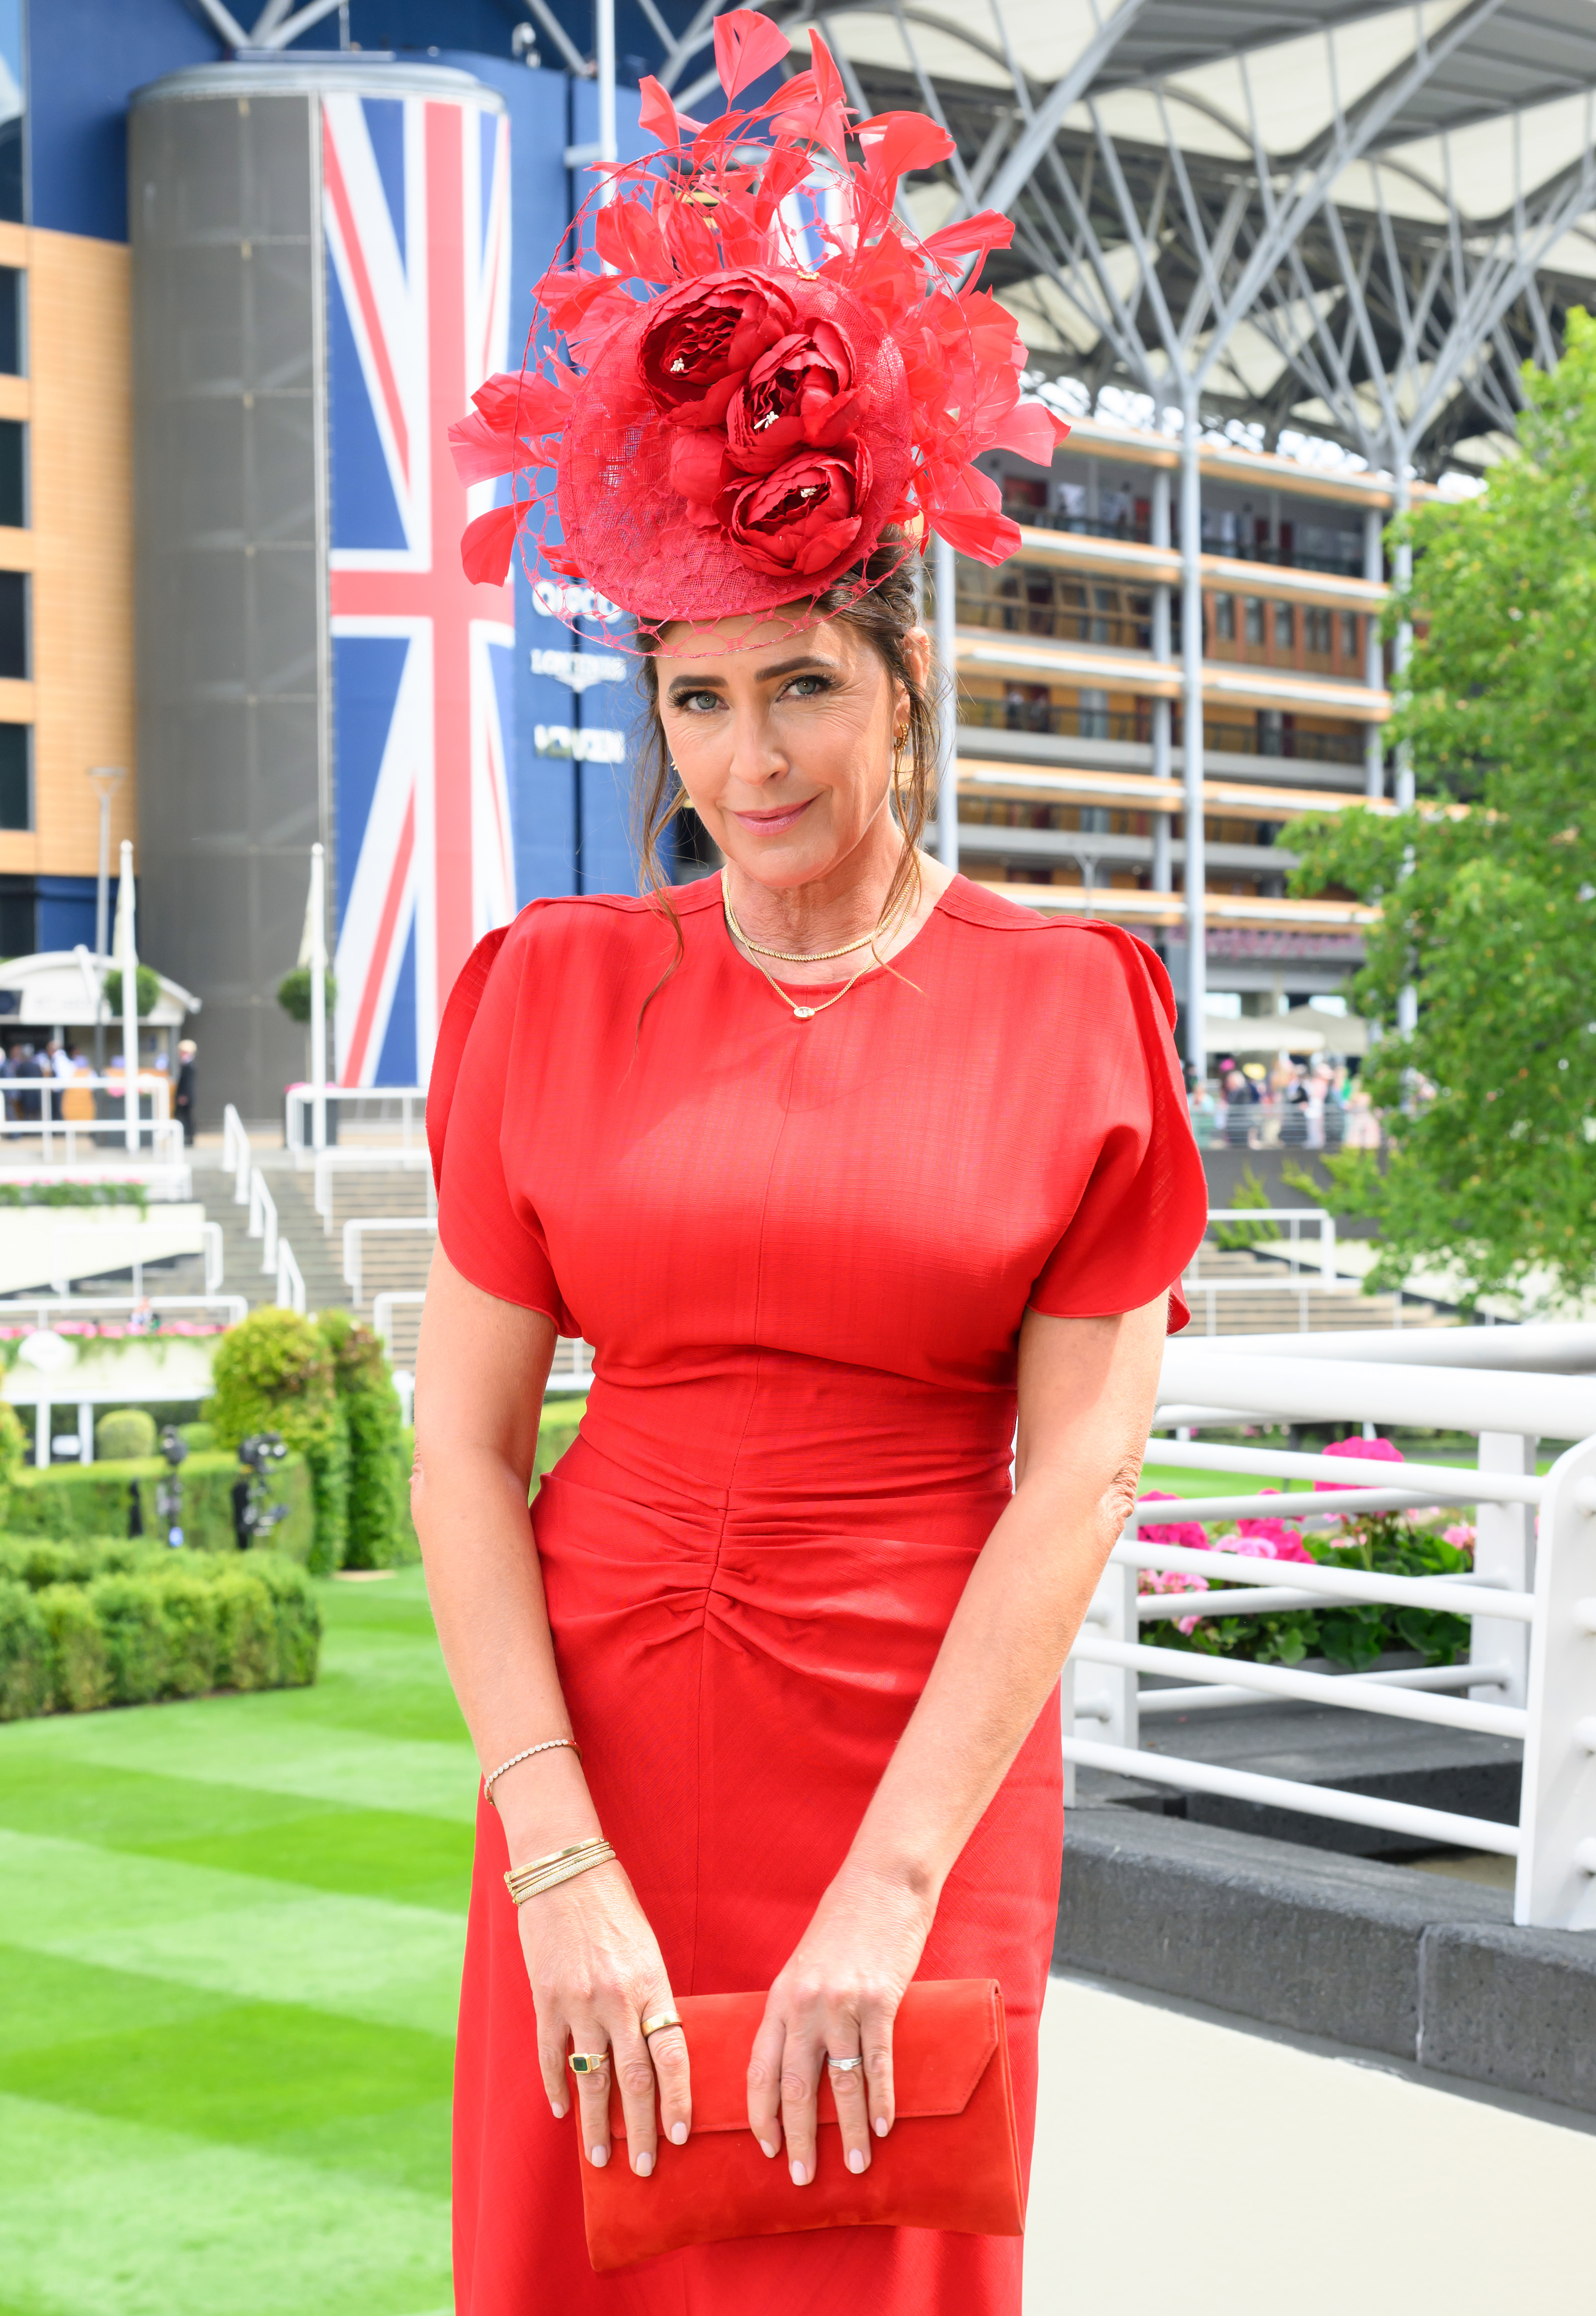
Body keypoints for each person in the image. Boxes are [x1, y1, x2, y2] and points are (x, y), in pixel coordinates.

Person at [412, 27, 1208, 2316]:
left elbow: (1072, 1481)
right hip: (592, 1774)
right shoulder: (543, 988)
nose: (741, 758)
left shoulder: (1069, 1007)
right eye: (693, 696)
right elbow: (460, 1449)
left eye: (797, 690)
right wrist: (550, 1851)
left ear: (899, 686)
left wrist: (889, 1889)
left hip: (920, 1772)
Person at [174, 1039, 197, 1145]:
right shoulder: (186, 1064)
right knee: (184, 1117)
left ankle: (189, 1137)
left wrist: (184, 1096)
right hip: (185, 1096)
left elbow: (188, 1083)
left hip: (186, 1097)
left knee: (186, 1118)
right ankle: (187, 1137)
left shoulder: (189, 1066)